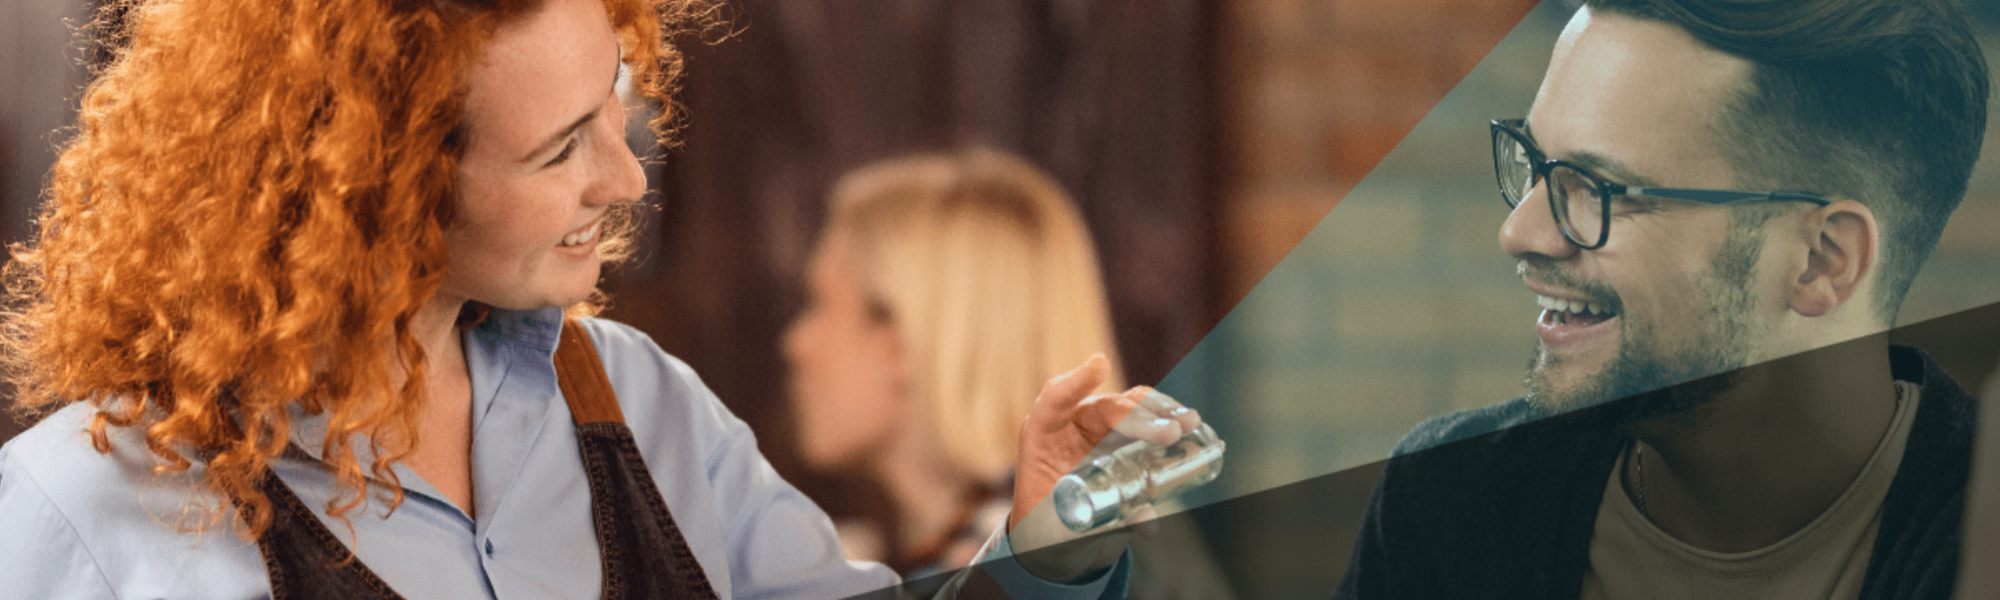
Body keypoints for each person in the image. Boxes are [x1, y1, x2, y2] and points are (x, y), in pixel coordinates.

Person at [0, 0, 1201, 598]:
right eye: (558, 148)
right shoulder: (83, 514)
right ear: (376, 190)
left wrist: (1042, 547)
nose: (624, 180)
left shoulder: (638, 402)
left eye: (616, 107)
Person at [1334, 0, 1988, 598]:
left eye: (1601, 186)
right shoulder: (1450, 501)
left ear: (1822, 261)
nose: (1520, 233)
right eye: (1535, 164)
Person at [782, 148, 1238, 599]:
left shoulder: (1057, 557)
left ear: (899, 343)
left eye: (820, 304)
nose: (795, 343)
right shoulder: (1092, 542)